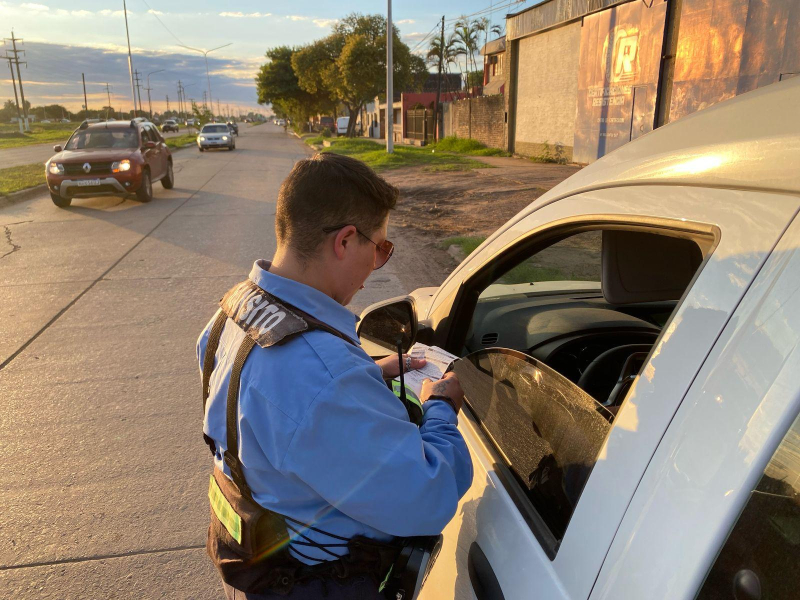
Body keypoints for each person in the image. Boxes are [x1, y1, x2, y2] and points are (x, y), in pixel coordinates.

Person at [197, 152, 473, 599]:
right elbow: (428, 495)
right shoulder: (324, 377)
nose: (377, 265)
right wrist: (441, 406)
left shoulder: (232, 313)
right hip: (320, 583)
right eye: (380, 248)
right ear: (345, 240)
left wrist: (366, 376)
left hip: (258, 562)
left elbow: (275, 414)